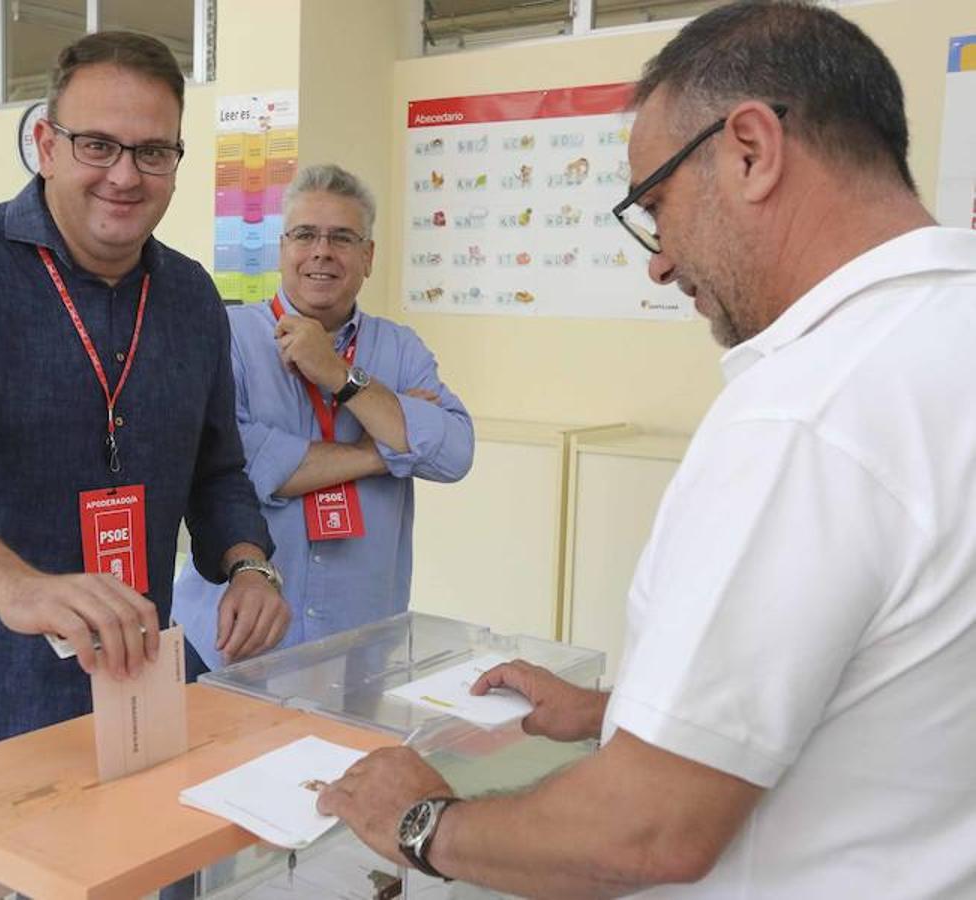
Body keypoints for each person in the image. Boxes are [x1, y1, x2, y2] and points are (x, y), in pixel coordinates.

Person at [318, 3, 976, 896]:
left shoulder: (802, 414)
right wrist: (619, 712)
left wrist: (424, 822)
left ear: (750, 149)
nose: (659, 263)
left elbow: (647, 831)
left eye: (655, 204)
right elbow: (890, 687)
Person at [0, 31, 290, 778]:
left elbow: (216, 469)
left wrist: (251, 567)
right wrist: (10, 581)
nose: (125, 175)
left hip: (133, 689)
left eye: (152, 151)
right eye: (97, 145)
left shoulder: (190, 297)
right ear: (46, 146)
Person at [173, 164, 474, 669]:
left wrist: (340, 375)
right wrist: (382, 451)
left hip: (356, 653)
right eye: (305, 234)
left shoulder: (398, 348)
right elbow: (235, 467)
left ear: (368, 256)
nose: (322, 251)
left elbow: (454, 453)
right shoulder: (225, 337)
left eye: (342, 237)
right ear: (282, 247)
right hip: (229, 647)